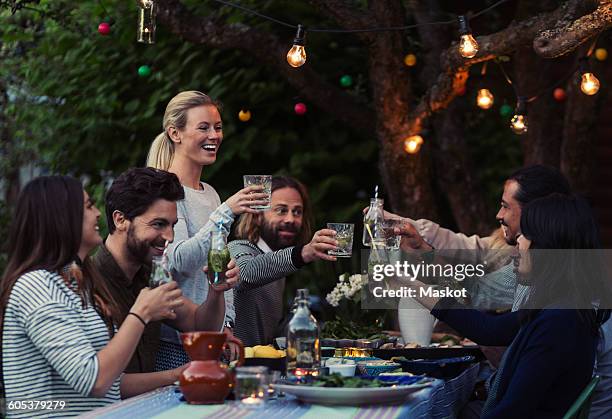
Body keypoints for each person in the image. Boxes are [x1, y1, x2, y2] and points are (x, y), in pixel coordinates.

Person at [407, 194, 612, 417]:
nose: (518, 242)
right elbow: (488, 328)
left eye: (524, 234)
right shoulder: (562, 304)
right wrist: (407, 282)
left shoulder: (559, 321)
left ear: (545, 243)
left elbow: (511, 411)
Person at [0, 176, 182, 418]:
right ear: (60, 216)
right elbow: (94, 380)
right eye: (88, 206)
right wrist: (141, 313)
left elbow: (112, 383)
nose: (97, 213)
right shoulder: (36, 286)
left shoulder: (78, 281)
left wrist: (177, 376)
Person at [146, 91, 268, 369]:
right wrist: (226, 212)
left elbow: (216, 270)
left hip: (213, 339)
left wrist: (227, 325)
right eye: (203, 127)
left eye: (218, 127)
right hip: (177, 345)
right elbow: (177, 261)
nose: (214, 135)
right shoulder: (163, 189)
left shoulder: (210, 193)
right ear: (175, 133)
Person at [91, 167, 239, 376]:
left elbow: (200, 325)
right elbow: (106, 383)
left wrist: (216, 290)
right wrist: (179, 375)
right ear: (120, 220)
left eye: (172, 225)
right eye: (158, 224)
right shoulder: (88, 283)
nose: (169, 236)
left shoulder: (154, 275)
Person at [229, 176, 338, 346]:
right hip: (233, 367)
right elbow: (244, 273)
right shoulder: (238, 247)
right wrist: (304, 252)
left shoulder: (279, 266)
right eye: (281, 210)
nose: (290, 219)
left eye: (297, 212)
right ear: (257, 216)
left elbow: (271, 334)